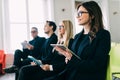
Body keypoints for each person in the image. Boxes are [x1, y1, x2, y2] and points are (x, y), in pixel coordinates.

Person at [55, 1, 111, 80]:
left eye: (80, 13)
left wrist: (71, 59)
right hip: (72, 74)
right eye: (77, 14)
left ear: (92, 15)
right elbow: (74, 60)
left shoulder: (103, 35)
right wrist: (68, 58)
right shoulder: (77, 36)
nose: (77, 17)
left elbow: (97, 65)